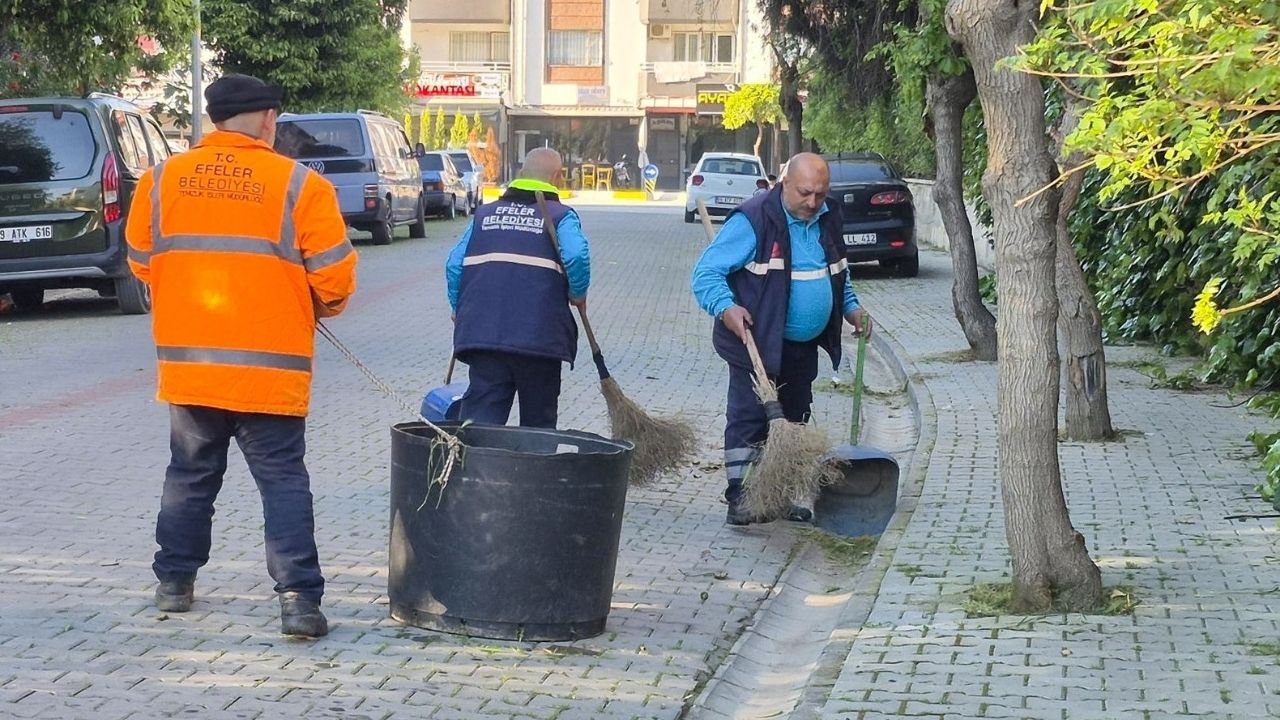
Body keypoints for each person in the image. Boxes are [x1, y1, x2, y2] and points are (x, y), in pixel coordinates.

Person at [125, 74, 358, 638]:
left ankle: (175, 583)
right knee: (282, 481)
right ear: (269, 119)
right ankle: (299, 600)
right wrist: (310, 303)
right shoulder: (300, 185)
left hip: (192, 365)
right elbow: (335, 280)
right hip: (270, 372)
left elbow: (140, 261)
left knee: (190, 475)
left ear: (214, 119)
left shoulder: (159, 180)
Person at [691, 153, 872, 526]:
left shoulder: (827, 217)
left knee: (795, 416)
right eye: (806, 193)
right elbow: (706, 274)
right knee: (749, 419)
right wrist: (727, 308)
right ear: (785, 182)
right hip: (755, 340)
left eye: (821, 194)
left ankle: (780, 493)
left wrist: (851, 308)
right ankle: (741, 498)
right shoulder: (755, 219)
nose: (813, 202)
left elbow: (839, 273)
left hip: (801, 345)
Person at [445, 147, 590, 428]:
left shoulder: (485, 215)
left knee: (478, 429)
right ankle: (534, 470)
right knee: (538, 429)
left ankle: (477, 470)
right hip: (539, 341)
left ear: (522, 173)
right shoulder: (561, 216)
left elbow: (454, 264)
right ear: (557, 177)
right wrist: (578, 292)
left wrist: (457, 307)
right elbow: (575, 255)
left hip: (484, 336)